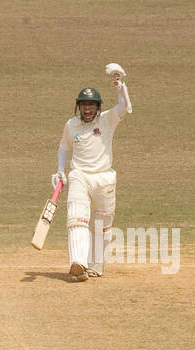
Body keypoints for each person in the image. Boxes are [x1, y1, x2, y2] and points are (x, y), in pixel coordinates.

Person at [53, 63, 132, 282]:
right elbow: (63, 147)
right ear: (78, 107)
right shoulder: (71, 125)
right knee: (76, 218)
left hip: (104, 177)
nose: (87, 109)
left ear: (97, 107)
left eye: (91, 105)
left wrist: (119, 84)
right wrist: (60, 170)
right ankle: (78, 262)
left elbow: (124, 106)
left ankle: (95, 266)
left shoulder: (107, 120)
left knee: (102, 225)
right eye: (84, 105)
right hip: (79, 175)